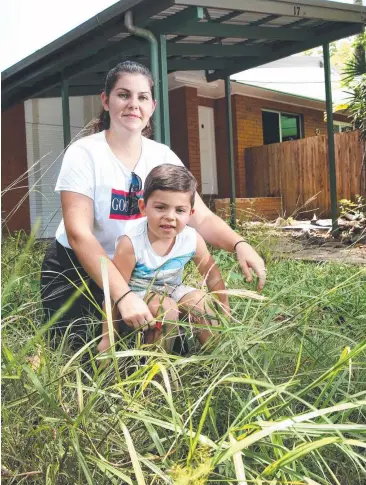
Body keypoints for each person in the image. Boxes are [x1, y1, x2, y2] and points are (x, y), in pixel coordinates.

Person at [41, 60, 266, 347]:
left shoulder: (163, 156)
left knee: (168, 341)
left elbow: (202, 217)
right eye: (123, 94)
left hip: (140, 268)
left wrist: (239, 244)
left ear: (152, 106)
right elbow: (79, 233)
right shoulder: (84, 153)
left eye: (142, 97)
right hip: (80, 267)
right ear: (106, 101)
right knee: (79, 354)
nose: (133, 104)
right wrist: (123, 296)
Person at [98, 163, 230, 354]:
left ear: (190, 214)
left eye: (180, 210)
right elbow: (113, 292)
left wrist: (224, 305)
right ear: (143, 207)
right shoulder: (131, 243)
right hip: (137, 298)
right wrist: (108, 338)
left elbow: (212, 275)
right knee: (166, 308)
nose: (170, 217)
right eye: (161, 207)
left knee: (201, 302)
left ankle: (216, 361)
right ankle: (156, 372)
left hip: (172, 290)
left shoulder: (191, 239)